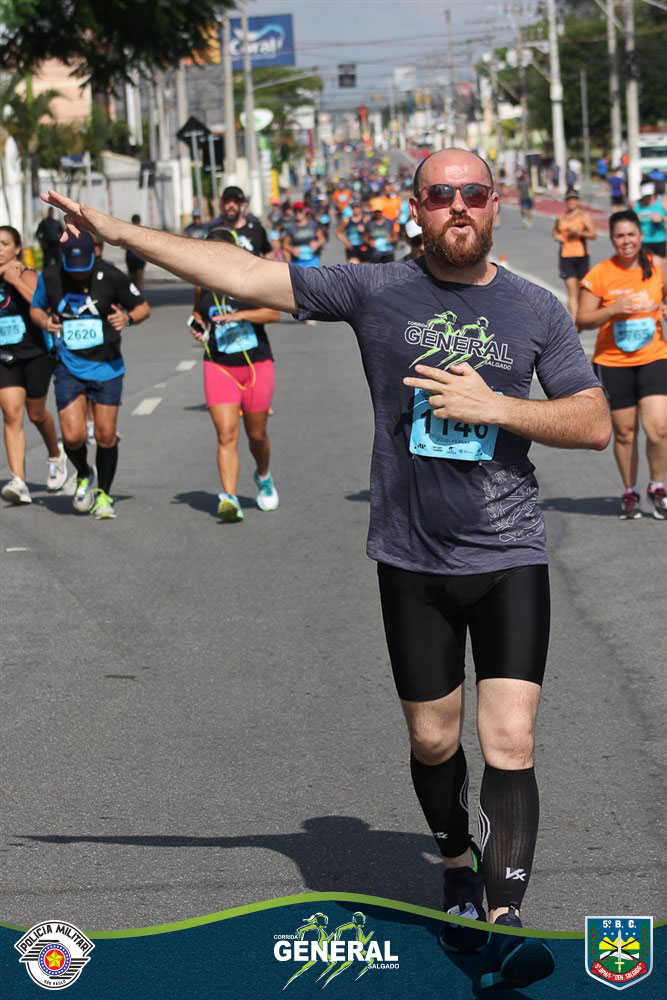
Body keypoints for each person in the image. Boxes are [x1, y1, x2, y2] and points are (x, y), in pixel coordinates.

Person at [40, 148, 611, 989]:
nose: (458, 205)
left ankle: (505, 918)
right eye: (440, 194)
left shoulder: (533, 307)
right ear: (415, 208)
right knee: (433, 739)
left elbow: (592, 421)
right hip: (410, 556)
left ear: (495, 204)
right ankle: (456, 861)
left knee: (511, 739)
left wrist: (496, 407)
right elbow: (241, 272)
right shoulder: (374, 289)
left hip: (508, 549)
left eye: (473, 193)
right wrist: (117, 230)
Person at [30, 231, 150, 519]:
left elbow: (143, 308)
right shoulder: (50, 277)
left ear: (93, 255)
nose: (78, 274)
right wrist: (44, 322)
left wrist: (128, 318)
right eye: (73, 268)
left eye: (83, 268)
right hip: (68, 365)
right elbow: (35, 309)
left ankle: (104, 494)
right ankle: (84, 472)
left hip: (107, 366)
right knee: (73, 437)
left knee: (106, 435)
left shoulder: (112, 276)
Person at [577, 210, 667, 520]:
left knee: (659, 428)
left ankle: (658, 487)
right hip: (613, 362)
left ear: (640, 236)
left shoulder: (658, 265)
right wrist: (612, 309)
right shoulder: (601, 274)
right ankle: (630, 491)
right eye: (619, 236)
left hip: (654, 356)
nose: (626, 241)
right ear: (612, 238)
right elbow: (582, 319)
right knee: (626, 433)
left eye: (631, 234)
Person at [190, 228, 280, 522]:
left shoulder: (251, 279)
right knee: (226, 434)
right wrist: (198, 326)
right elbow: (199, 313)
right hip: (218, 364)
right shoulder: (202, 283)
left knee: (257, 435)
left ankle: (263, 476)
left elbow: (273, 314)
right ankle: (229, 498)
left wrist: (238, 316)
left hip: (255, 364)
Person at [0, 225, 67, 504]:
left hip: (34, 352)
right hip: (4, 355)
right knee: (10, 412)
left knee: (36, 413)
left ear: (17, 248)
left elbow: (43, 307)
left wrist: (15, 282)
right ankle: (19, 481)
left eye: (4, 244)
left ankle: (56, 454)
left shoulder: (27, 274)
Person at [552, 189, 597, 318]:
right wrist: (557, 236)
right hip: (566, 256)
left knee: (581, 289)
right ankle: (576, 322)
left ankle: (582, 315)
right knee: (571, 290)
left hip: (582, 256)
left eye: (574, 199)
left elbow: (593, 235)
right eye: (569, 199)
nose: (571, 201)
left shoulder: (584, 216)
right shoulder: (561, 217)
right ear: (566, 201)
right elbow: (555, 231)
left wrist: (579, 232)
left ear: (578, 201)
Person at [282, 202, 325, 268]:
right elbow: (285, 245)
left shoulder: (313, 225)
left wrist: (317, 244)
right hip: (297, 262)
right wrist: (292, 249)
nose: (297, 213)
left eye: (300, 210)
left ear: (305, 211)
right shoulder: (291, 227)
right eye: (295, 211)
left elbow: (322, 239)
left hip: (313, 260)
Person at [633, 182, 667, 259]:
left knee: (660, 265)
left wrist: (661, 219)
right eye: (645, 196)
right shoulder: (635, 204)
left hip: (659, 241)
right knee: (644, 265)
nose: (647, 198)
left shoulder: (662, 202)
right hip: (643, 241)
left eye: (649, 195)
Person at [125, 214, 147, 292]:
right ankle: (136, 293)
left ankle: (136, 294)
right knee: (136, 277)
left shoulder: (129, 230)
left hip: (135, 257)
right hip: (136, 257)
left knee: (136, 276)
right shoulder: (142, 231)